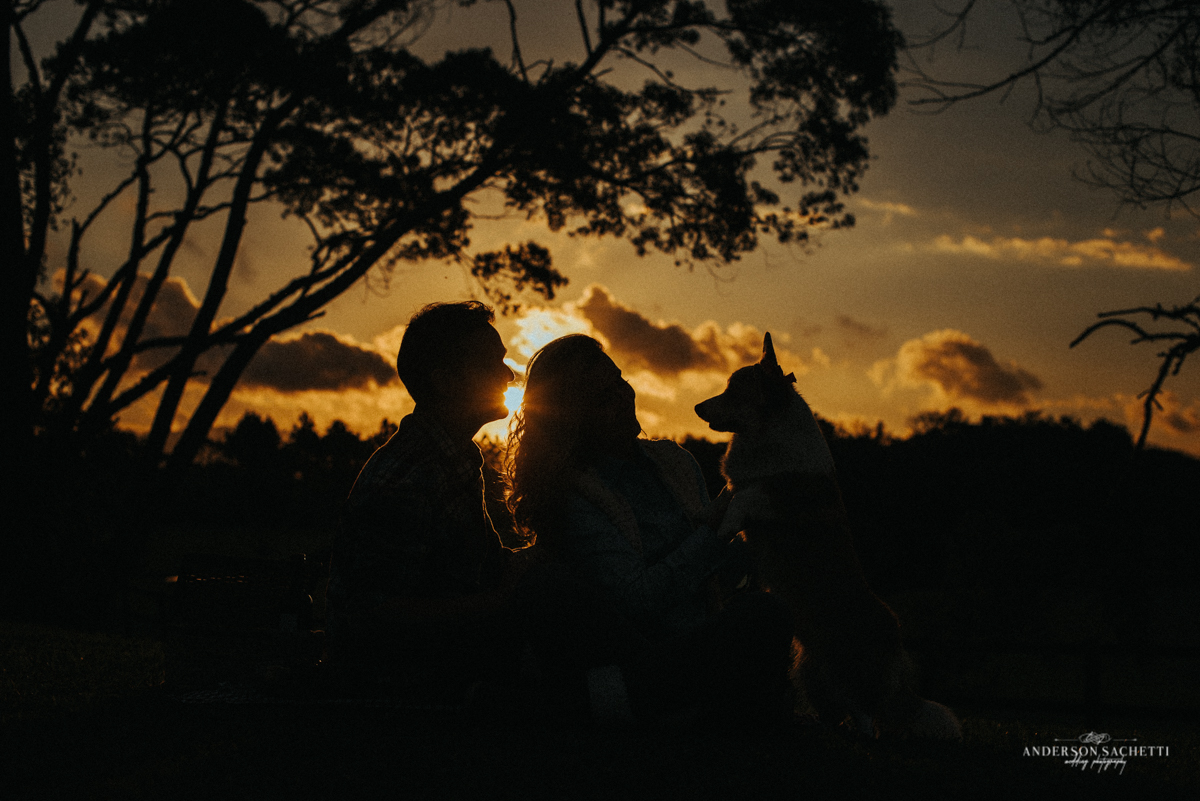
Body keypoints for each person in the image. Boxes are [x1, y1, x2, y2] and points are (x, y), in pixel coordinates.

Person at [507, 334, 796, 727]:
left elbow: (720, 577)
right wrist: (714, 531)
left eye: (620, 381)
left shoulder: (675, 461)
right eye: (602, 396)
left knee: (764, 611)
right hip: (639, 647)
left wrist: (757, 532)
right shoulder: (575, 492)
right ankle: (667, 705)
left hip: (700, 637)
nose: (623, 397)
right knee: (761, 620)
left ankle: (625, 701)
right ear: (572, 414)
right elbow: (635, 601)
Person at [325, 301, 520, 703]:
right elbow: (379, 616)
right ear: (446, 381)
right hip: (398, 693)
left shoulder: (455, 457)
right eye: (491, 363)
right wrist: (505, 604)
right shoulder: (407, 478)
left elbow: (489, 567)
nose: (509, 374)